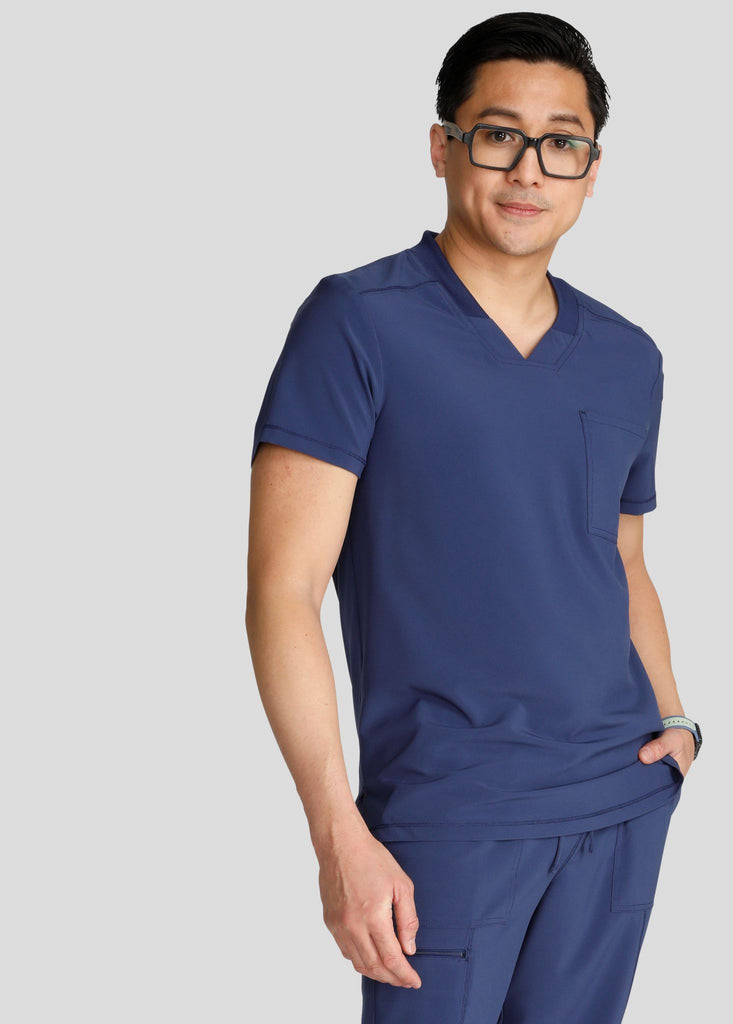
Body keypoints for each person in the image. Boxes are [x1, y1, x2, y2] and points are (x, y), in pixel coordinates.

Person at [246, 12, 703, 1023]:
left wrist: (675, 724)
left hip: (618, 803)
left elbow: (623, 559)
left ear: (592, 168)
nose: (528, 169)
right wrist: (336, 833)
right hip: (446, 819)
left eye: (561, 142)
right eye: (498, 134)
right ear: (442, 146)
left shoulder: (628, 356)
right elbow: (283, 592)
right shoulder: (357, 323)